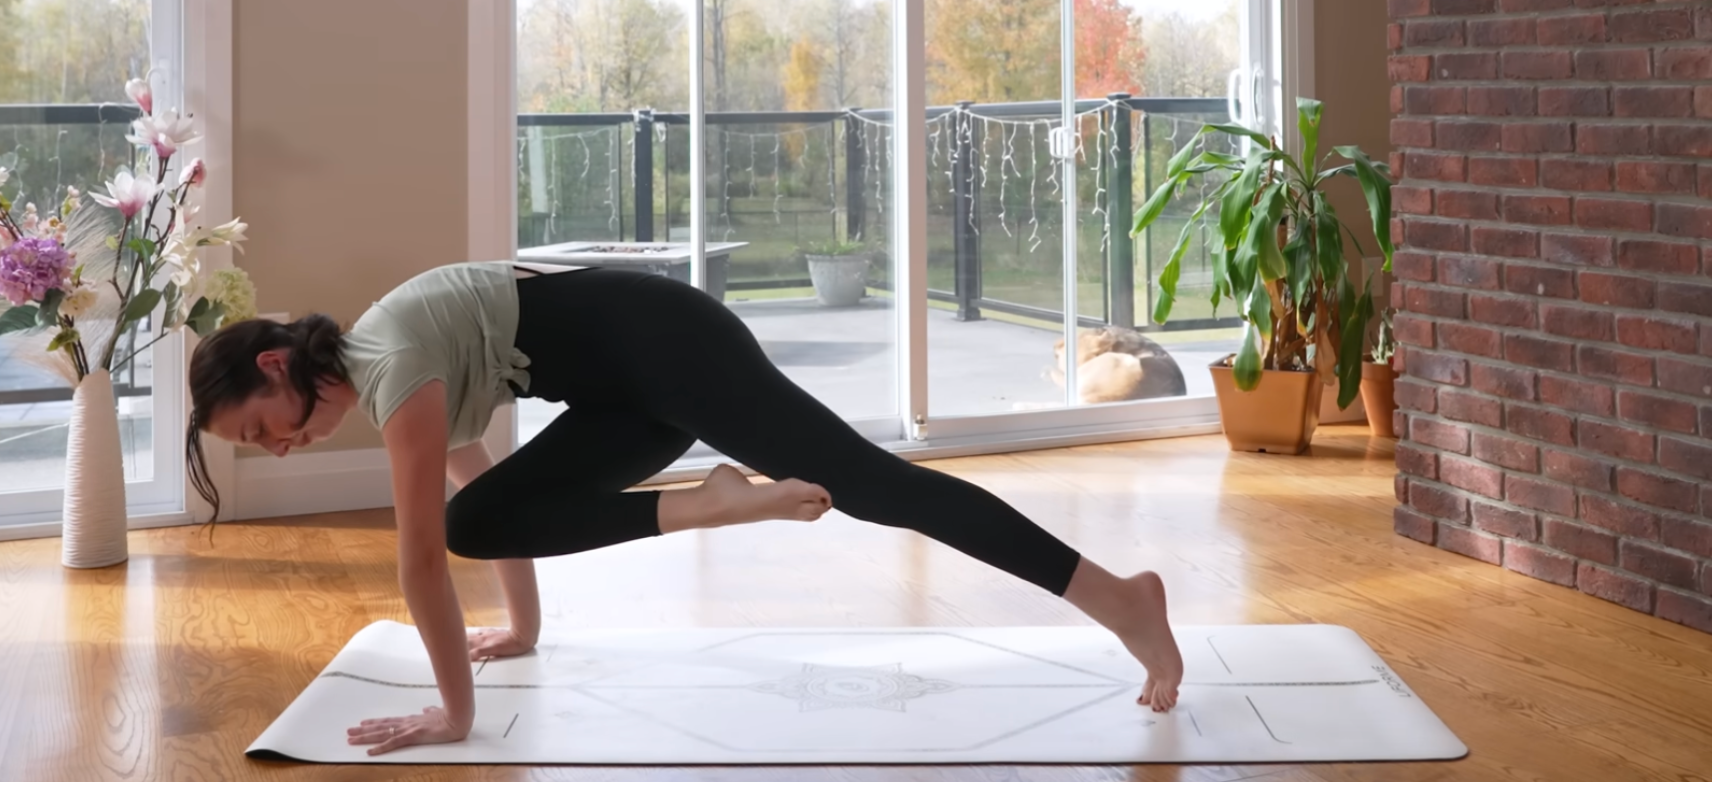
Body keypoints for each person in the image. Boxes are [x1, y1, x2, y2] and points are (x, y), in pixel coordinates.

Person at [188, 261, 1182, 757]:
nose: (277, 447)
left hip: (669, 346)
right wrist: (520, 631)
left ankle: (1121, 599)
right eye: (259, 450)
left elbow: (416, 561)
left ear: (277, 366)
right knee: (480, 517)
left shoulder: (393, 365)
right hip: (625, 392)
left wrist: (454, 714)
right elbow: (482, 493)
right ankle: (705, 505)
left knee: (878, 487)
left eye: (260, 426)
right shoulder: (392, 362)